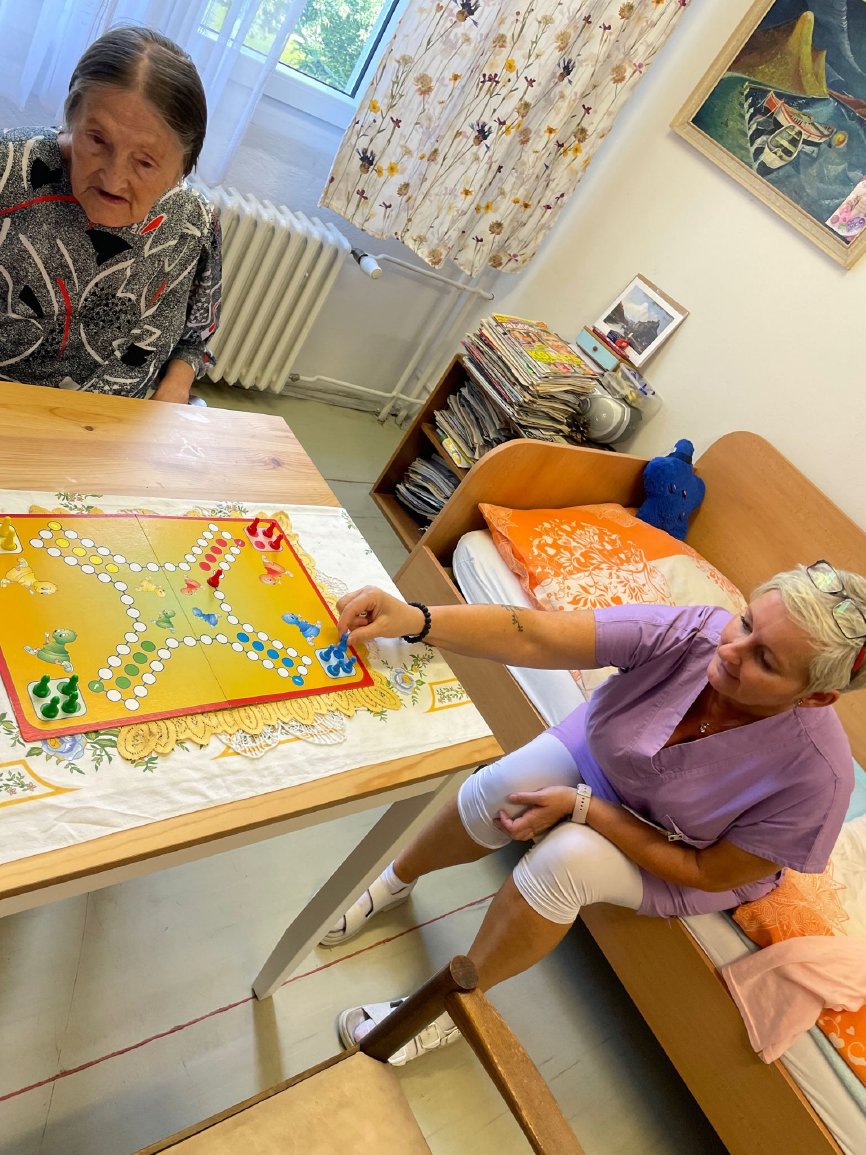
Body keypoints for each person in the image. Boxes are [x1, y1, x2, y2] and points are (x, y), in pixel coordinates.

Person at [324, 561, 865, 1064]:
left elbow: (705, 871)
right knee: (506, 785)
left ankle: (448, 1005)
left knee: (567, 861)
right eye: (745, 621)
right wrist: (416, 619)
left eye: (765, 660)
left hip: (684, 854)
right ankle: (395, 881)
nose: (731, 650)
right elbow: (536, 635)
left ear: (816, 697)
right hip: (606, 762)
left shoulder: (817, 779)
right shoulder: (694, 633)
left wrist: (584, 809)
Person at [0, 27, 221, 403]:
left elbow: (194, 340)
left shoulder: (193, 221)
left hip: (117, 422)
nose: (114, 179)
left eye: (145, 162)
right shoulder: (9, 170)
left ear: (184, 167)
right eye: (97, 140)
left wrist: (174, 388)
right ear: (73, 115)